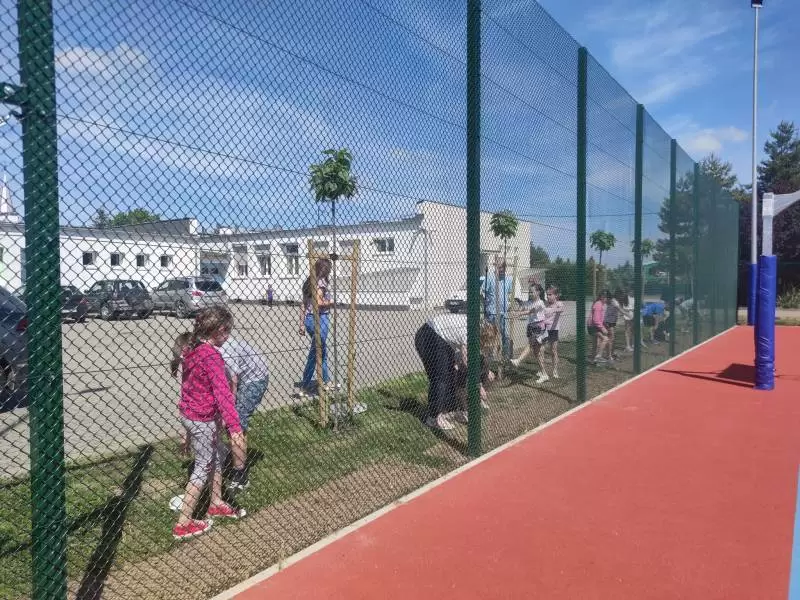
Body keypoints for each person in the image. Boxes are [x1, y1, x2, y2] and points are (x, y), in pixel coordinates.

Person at [170, 306, 247, 541]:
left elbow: (189, 387)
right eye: (228, 332)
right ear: (220, 330)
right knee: (203, 466)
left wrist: (187, 431)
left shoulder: (192, 348)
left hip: (192, 415)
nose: (229, 336)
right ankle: (183, 523)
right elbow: (223, 394)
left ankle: (215, 502)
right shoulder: (211, 356)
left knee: (216, 455)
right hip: (201, 419)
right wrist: (234, 428)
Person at [414, 313, 497, 431]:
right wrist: (479, 385)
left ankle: (450, 411)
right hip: (430, 335)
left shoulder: (475, 326)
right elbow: (467, 361)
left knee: (450, 375)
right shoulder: (471, 332)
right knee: (440, 378)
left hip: (442, 339)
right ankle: (434, 418)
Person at [219, 333, 269, 490]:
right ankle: (227, 452)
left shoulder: (226, 350)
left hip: (254, 379)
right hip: (237, 377)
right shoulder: (205, 345)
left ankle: (240, 475)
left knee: (236, 422)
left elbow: (232, 383)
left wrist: (229, 412)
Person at [298, 258, 333, 396]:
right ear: (325, 270)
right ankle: (305, 385)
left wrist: (301, 324)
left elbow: (303, 304)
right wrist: (331, 302)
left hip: (309, 320)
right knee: (316, 352)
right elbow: (319, 302)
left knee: (321, 350)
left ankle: (326, 381)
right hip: (320, 319)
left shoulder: (309, 282)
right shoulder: (321, 282)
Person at [510, 284, 549, 384]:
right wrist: (518, 306)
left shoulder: (540, 303)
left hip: (539, 327)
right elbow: (523, 306)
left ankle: (518, 360)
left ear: (538, 292)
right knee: (537, 352)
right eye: (529, 292)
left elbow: (530, 311)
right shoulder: (530, 302)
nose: (530, 293)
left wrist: (518, 313)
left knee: (531, 346)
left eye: (532, 292)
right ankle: (543, 373)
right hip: (532, 327)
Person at [481, 260, 514, 357]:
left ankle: (505, 356)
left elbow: (508, 294)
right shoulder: (489, 278)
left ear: (505, 268)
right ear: (495, 267)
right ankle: (489, 356)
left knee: (505, 335)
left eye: (503, 267)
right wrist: (486, 303)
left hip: (503, 313)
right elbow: (482, 292)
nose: (501, 269)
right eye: (499, 267)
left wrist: (508, 305)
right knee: (490, 335)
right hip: (491, 313)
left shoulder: (508, 279)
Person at [543, 285, 565, 379]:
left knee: (553, 350)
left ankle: (555, 370)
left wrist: (554, 310)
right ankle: (542, 370)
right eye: (547, 294)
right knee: (541, 350)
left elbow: (562, 309)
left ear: (556, 295)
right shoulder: (545, 303)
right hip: (544, 329)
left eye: (550, 294)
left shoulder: (558, 303)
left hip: (553, 330)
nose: (548, 296)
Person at [587, 291, 609, 364]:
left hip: (594, 325)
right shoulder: (598, 304)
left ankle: (592, 359)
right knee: (605, 339)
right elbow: (596, 320)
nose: (607, 299)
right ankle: (598, 356)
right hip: (593, 326)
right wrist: (602, 328)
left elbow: (599, 318)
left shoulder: (601, 304)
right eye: (605, 297)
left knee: (595, 343)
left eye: (607, 297)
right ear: (601, 297)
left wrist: (604, 324)